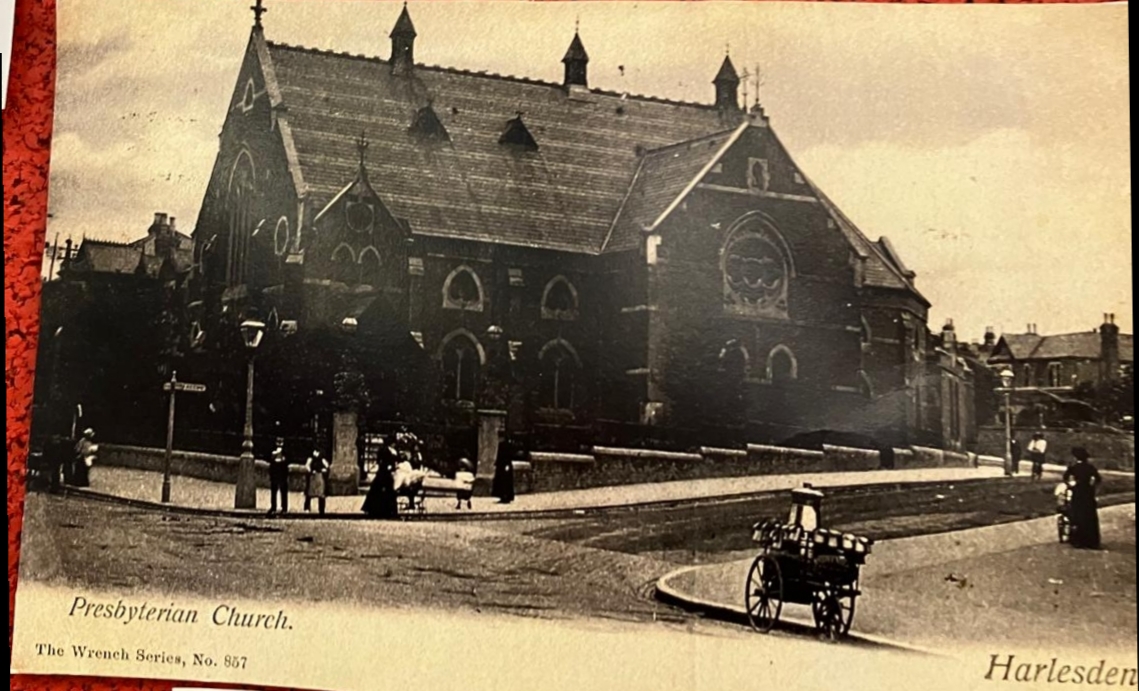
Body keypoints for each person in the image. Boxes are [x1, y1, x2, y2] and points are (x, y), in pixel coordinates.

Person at [1062, 447, 1102, 550]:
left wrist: (1071, 485)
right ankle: (1092, 541)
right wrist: (1092, 485)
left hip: (1078, 493)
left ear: (1075, 457)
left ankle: (1079, 540)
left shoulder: (1074, 467)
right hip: (1088, 493)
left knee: (1078, 515)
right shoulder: (1090, 467)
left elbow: (1065, 478)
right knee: (1089, 516)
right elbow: (1098, 479)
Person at [361, 436, 400, 519]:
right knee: (380, 492)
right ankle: (377, 511)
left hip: (387, 473)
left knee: (386, 492)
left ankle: (386, 511)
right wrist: (388, 466)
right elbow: (380, 461)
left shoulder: (392, 451)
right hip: (383, 473)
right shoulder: (385, 450)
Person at [267, 437, 290, 517]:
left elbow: (288, 460)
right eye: (278, 442)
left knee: (283, 491)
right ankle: (273, 507)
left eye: (281, 442)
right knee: (274, 491)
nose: (279, 444)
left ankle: (284, 507)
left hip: (282, 473)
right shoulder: (273, 451)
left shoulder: (285, 451)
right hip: (275, 473)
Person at [304, 449, 330, 515]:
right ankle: (307, 507)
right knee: (310, 492)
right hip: (313, 475)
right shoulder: (311, 457)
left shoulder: (322, 457)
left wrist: (324, 470)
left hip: (319, 475)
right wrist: (310, 470)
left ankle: (321, 509)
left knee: (321, 494)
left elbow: (327, 466)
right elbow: (307, 465)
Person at [491, 437, 516, 504]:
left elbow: (509, 456)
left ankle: (506, 496)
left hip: (505, 465)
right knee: (501, 481)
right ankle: (502, 496)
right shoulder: (501, 444)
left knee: (506, 482)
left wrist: (507, 465)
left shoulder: (507, 445)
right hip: (501, 465)